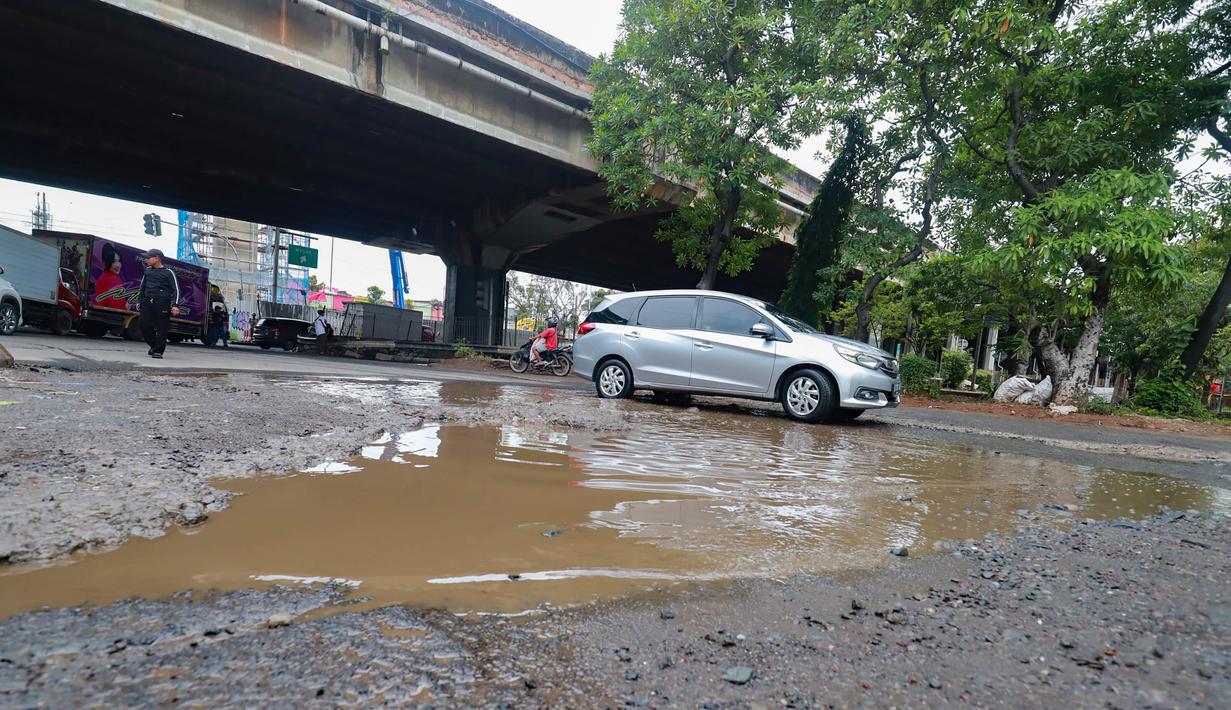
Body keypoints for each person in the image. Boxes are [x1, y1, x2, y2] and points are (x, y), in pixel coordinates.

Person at [137, 249, 180, 359]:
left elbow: (175, 289)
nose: (146, 260)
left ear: (157, 258)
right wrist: (139, 301)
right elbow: (142, 287)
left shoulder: (168, 272)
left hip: (162, 303)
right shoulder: (147, 271)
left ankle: (158, 351)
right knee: (143, 324)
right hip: (147, 301)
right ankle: (154, 345)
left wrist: (175, 305)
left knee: (162, 328)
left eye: (148, 258)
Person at [94, 243, 129, 310]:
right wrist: (126, 306)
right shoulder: (114, 279)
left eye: (119, 261)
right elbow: (116, 308)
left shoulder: (103, 276)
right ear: (107, 262)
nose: (118, 265)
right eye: (113, 261)